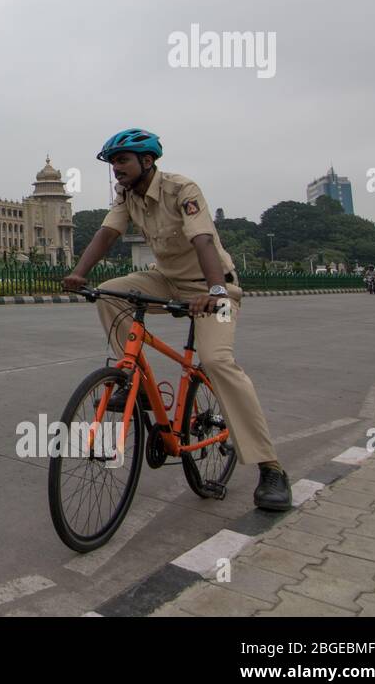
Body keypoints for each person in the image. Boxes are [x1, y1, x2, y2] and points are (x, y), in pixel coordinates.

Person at [62, 128, 292, 511]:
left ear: (147, 161)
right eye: (112, 162)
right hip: (167, 280)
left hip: (213, 286)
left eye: (122, 160)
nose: (115, 169)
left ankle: (270, 467)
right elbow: (107, 234)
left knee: (217, 361)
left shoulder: (182, 189)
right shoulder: (127, 196)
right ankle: (130, 376)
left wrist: (216, 291)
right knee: (110, 294)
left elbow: (202, 239)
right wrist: (79, 274)